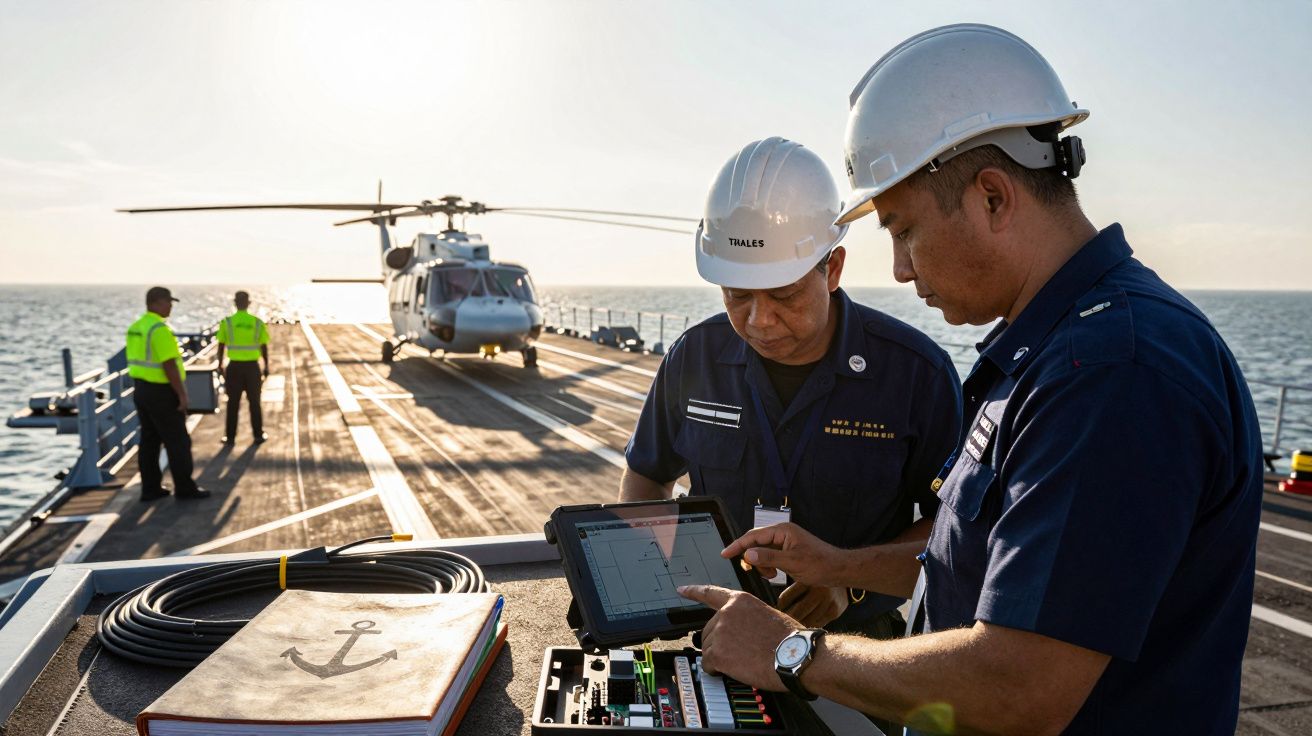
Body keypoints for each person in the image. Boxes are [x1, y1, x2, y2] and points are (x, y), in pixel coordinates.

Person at [679, 25, 1263, 735]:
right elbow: (981, 563)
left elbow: (1021, 687)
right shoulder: (1058, 349)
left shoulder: (1110, 374)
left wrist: (792, 652)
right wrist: (839, 564)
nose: (898, 268)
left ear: (992, 197)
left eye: (902, 230)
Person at [623, 137, 962, 647]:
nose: (760, 321)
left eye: (783, 295)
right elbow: (647, 478)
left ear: (834, 268)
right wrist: (658, 582)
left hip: (858, 646)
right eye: (738, 296)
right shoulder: (693, 358)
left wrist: (849, 583)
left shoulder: (917, 374)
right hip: (714, 636)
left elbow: (953, 529)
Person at [125, 286, 211, 501]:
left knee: (149, 441)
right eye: (167, 302)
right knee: (178, 441)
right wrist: (182, 395)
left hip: (141, 389)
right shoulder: (159, 329)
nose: (170, 306)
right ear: (155, 303)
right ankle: (184, 487)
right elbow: (169, 365)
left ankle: (150, 488)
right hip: (161, 391)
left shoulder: (136, 327)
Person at [216, 290, 271, 444]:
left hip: (234, 368)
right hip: (252, 368)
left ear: (235, 303)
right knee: (254, 402)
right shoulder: (257, 322)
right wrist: (266, 366)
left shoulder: (227, 322)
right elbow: (264, 346)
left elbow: (221, 345)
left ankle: (230, 437)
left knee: (233, 403)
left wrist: (220, 364)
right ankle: (258, 435)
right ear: (249, 303)